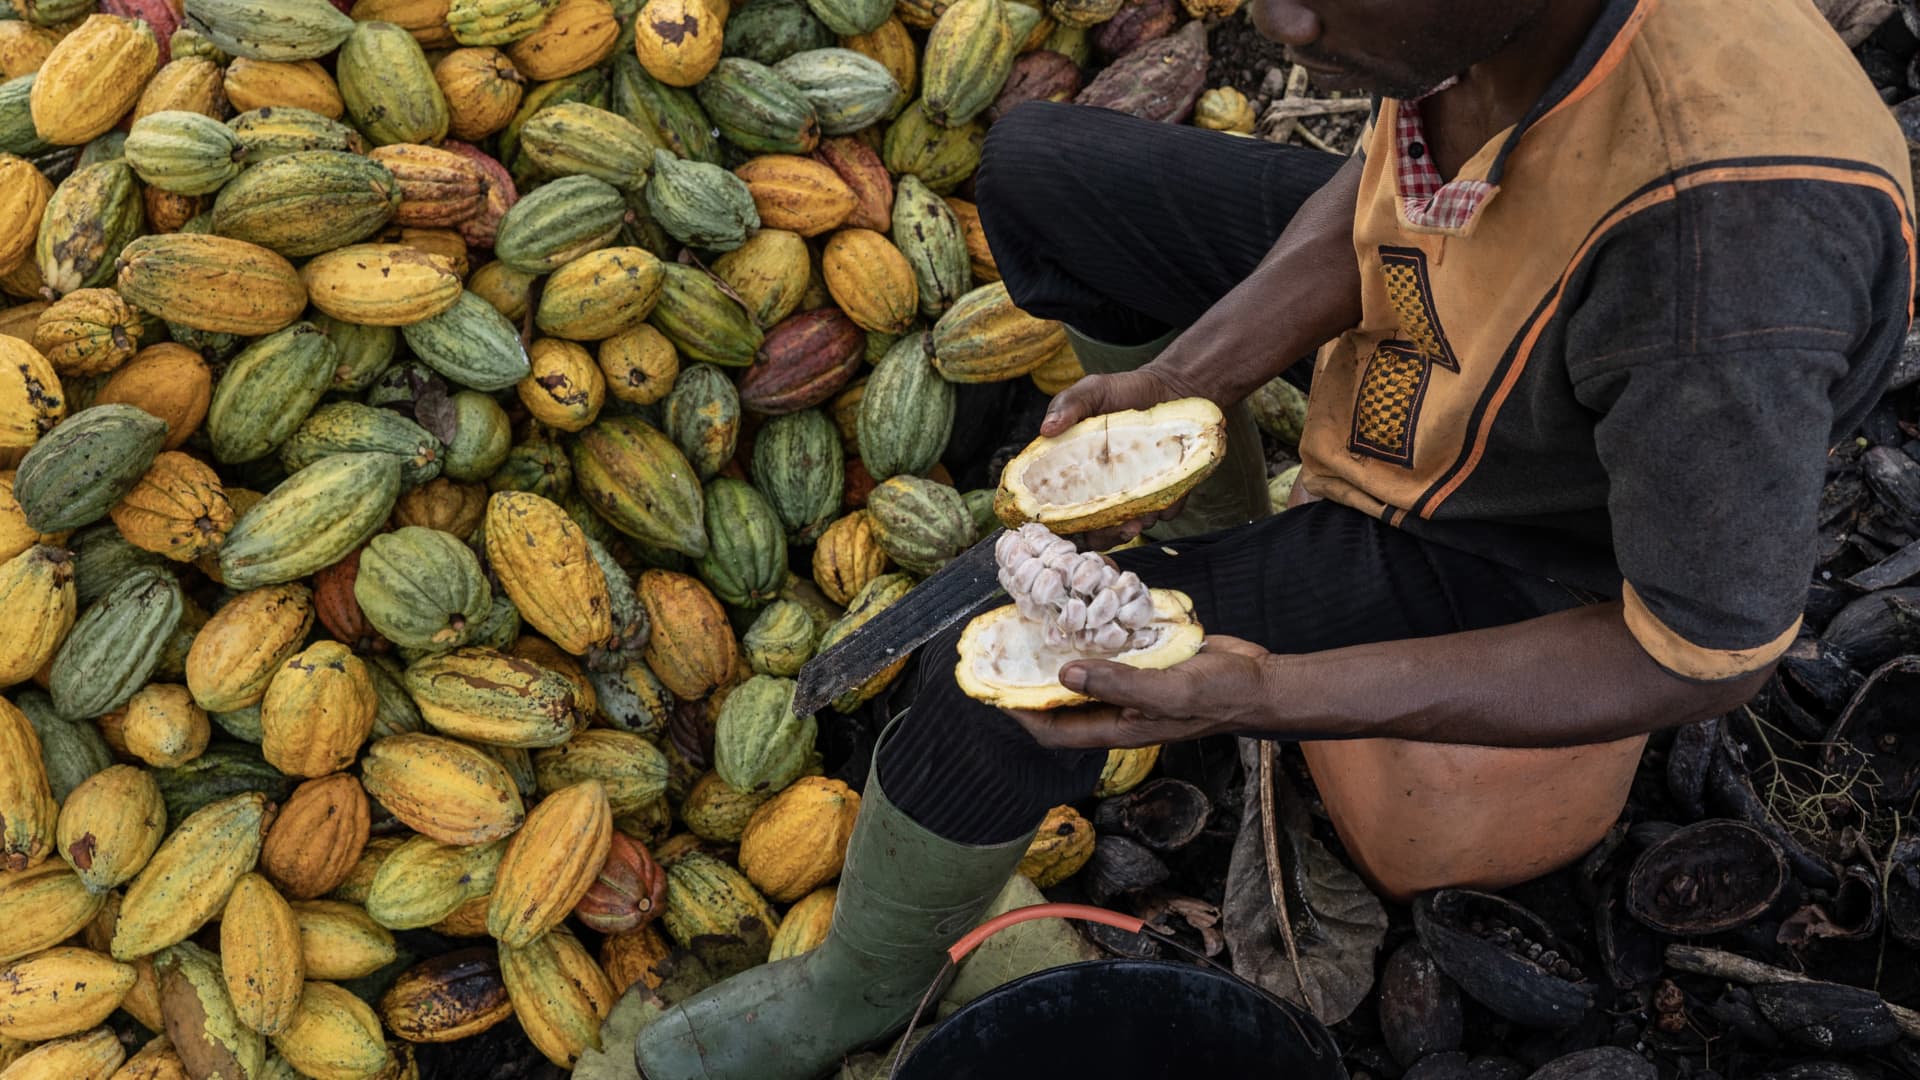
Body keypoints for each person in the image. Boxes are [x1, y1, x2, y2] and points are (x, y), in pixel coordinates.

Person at [634, 0, 1916, 1075]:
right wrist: (1188, 382)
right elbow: (1385, 209)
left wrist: (1259, 693)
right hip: (1465, 327)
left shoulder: (1718, 267)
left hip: (1516, 526)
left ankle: (853, 985)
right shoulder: (1480, 30)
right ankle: (1206, 509)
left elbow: (1701, 653)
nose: (1276, 20)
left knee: (989, 690)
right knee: (1041, 177)